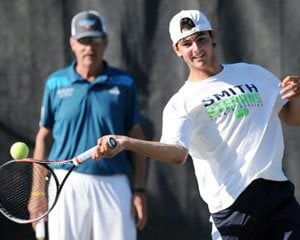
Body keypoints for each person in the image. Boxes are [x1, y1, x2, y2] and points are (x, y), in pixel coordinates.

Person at [93, 9, 300, 240]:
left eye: (201, 39)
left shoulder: (254, 74)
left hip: (278, 195)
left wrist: (298, 95)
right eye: (187, 43)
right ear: (177, 50)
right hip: (233, 209)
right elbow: (177, 154)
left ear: (212, 37)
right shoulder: (180, 103)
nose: (196, 48)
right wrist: (127, 142)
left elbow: (293, 117)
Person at [31, 10, 147, 240]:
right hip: (64, 182)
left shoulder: (124, 83)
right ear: (72, 43)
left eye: (95, 40)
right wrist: (37, 192)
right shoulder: (56, 83)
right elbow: (43, 137)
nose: (89, 48)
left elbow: (136, 135)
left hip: (113, 183)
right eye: (83, 41)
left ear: (105, 42)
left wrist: (139, 190)